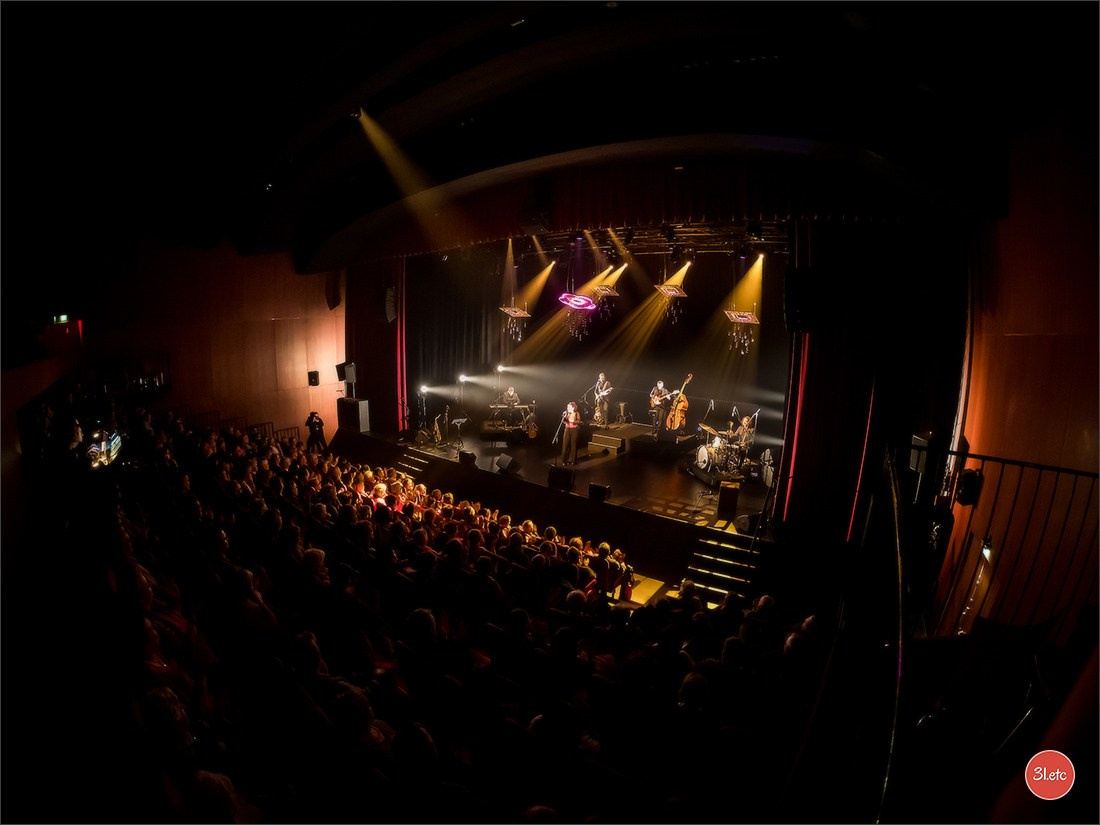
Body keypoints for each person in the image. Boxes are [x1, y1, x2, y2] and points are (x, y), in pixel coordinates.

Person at [560, 401, 581, 465]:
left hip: (574, 429)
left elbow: (579, 421)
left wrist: (574, 422)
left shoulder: (576, 413)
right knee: (565, 445)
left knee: (573, 445)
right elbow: (563, 421)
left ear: (573, 407)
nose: (568, 408)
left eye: (570, 407)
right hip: (567, 429)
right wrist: (564, 420)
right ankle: (564, 460)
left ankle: (572, 460)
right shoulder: (566, 413)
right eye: (568, 407)